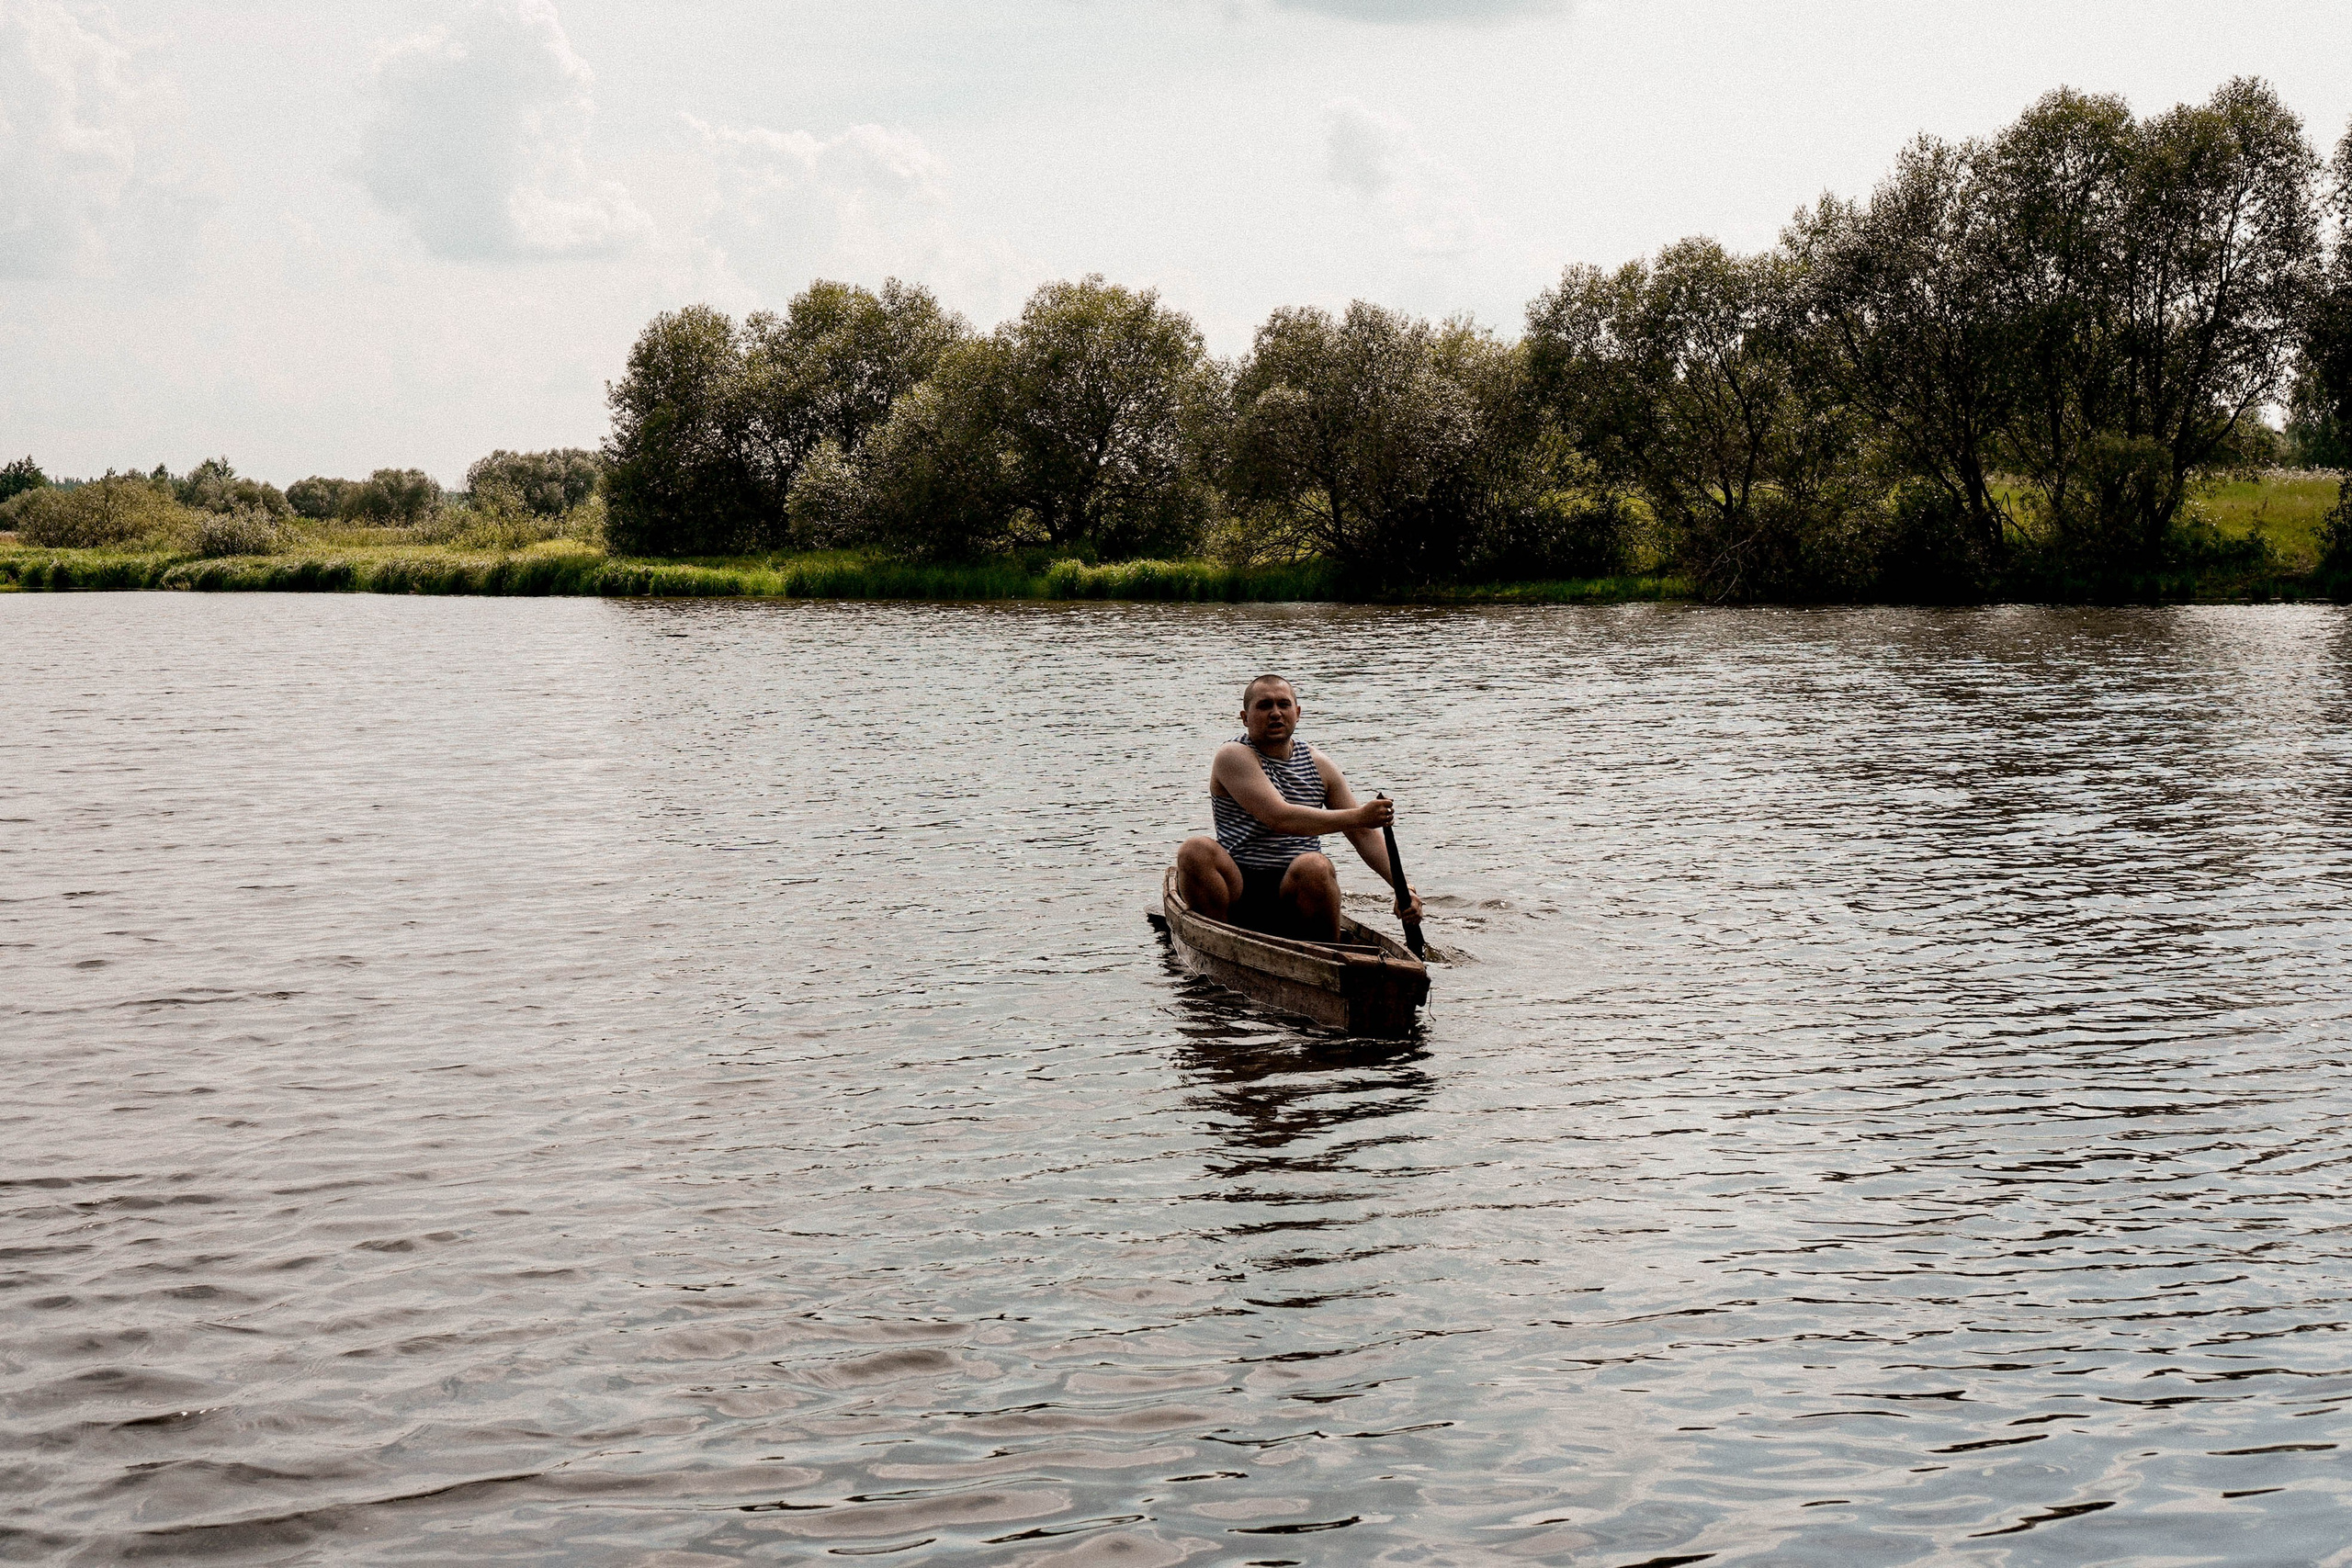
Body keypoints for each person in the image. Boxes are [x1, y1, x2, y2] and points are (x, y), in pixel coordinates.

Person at [1176, 673, 1424, 941]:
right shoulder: (1233, 756)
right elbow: (1280, 817)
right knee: (1195, 850)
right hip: (1237, 884)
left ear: (1297, 713)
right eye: (1264, 706)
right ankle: (1218, 941)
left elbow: (1363, 834)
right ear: (1245, 717)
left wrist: (1403, 890)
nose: (1275, 713)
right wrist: (1359, 816)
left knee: (1315, 866)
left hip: (1295, 887)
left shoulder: (1319, 764)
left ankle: (1327, 954)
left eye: (1283, 705)